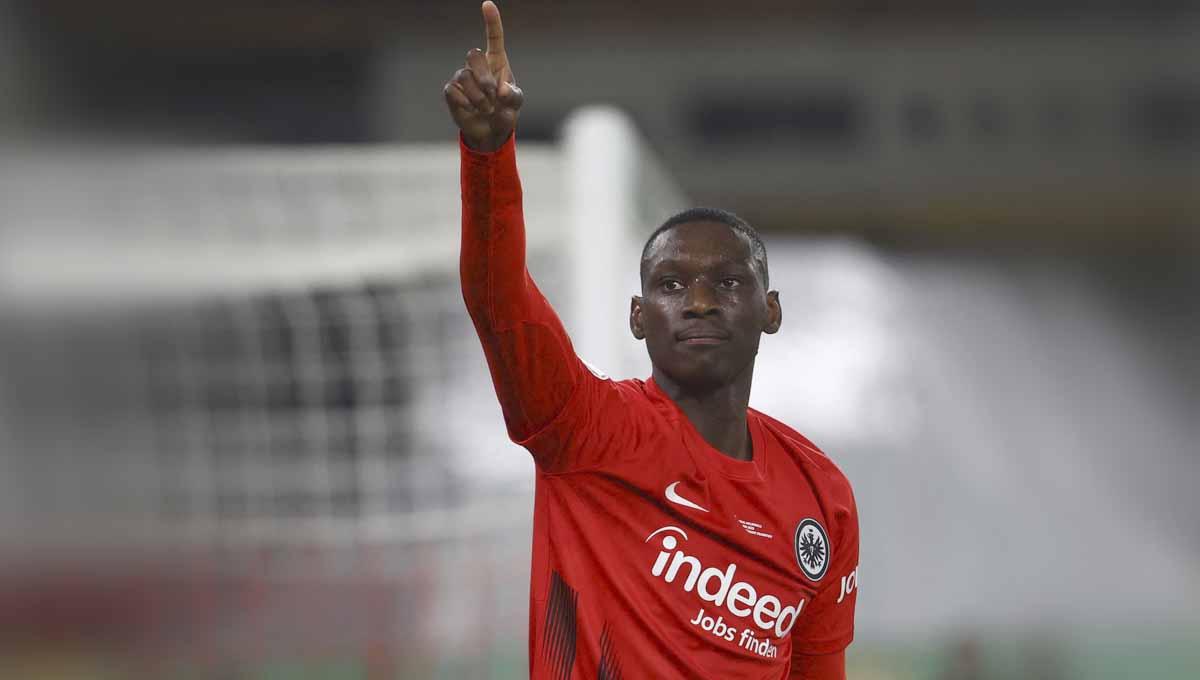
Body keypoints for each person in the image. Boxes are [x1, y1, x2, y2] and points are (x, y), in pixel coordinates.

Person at [444, 3, 858, 678]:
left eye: (727, 284)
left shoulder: (823, 496)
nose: (696, 301)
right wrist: (489, 156)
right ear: (638, 317)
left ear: (771, 311)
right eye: (670, 286)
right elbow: (499, 302)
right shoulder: (584, 429)